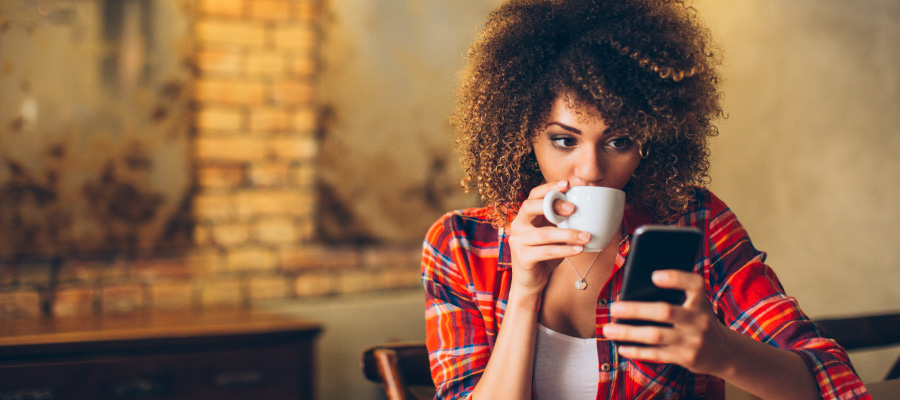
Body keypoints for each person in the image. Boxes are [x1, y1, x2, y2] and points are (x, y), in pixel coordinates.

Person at [421, 0, 871, 399]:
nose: (592, 169)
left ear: (653, 139)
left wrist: (722, 351)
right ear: (523, 134)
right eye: (564, 141)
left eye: (618, 141)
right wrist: (524, 291)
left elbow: (832, 380)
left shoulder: (694, 222)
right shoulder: (461, 245)